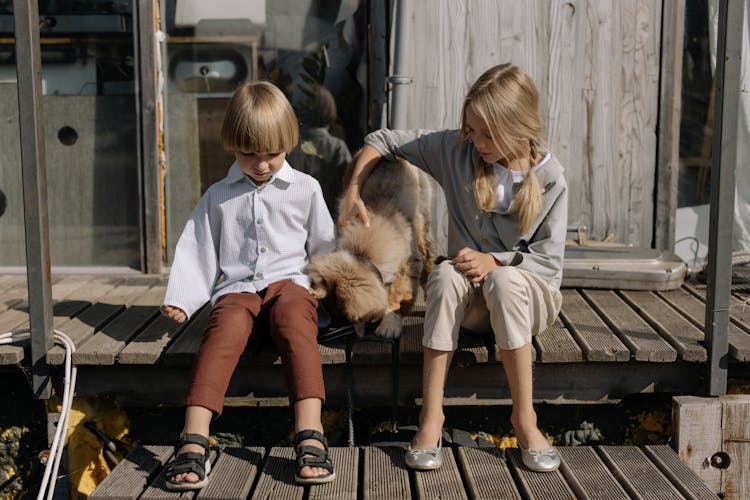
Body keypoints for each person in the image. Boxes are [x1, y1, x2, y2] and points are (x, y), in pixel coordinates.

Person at [339, 64, 567, 473]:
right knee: (444, 273)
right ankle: (431, 418)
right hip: (473, 307)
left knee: (505, 281)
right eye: (471, 129)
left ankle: (525, 420)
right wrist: (354, 189)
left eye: (486, 133)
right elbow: (383, 139)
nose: (475, 140)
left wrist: (495, 260)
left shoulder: (550, 177)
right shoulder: (455, 150)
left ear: (517, 128)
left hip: (527, 300)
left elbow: (549, 262)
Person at [161, 81, 337, 490]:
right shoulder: (219, 195)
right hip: (238, 288)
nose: (261, 165)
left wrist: (333, 290)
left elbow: (326, 248)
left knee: (295, 321)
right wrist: (184, 298)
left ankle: (310, 432)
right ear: (232, 147)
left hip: (290, 283)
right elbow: (199, 249)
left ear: (288, 144)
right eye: (248, 154)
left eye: (271, 155)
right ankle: (194, 438)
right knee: (223, 330)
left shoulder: (305, 189)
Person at [287, 84, 352, 215]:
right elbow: (348, 188)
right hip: (328, 216)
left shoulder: (286, 146)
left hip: (291, 216)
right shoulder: (337, 148)